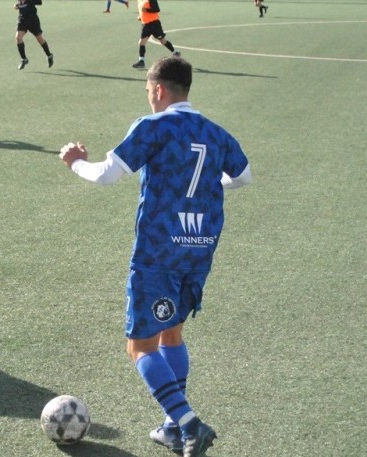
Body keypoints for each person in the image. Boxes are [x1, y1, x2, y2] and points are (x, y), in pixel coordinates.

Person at [59, 57, 252, 457]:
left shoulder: (154, 126)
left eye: (149, 92)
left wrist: (75, 162)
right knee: (172, 334)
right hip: (199, 248)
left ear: (159, 89)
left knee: (140, 346)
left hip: (158, 251)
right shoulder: (215, 133)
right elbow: (243, 177)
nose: (149, 99)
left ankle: (189, 423)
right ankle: (171, 427)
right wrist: (200, 190)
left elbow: (109, 174)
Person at [132, 0, 180, 69]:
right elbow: (141, 10)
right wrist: (141, 16)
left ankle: (175, 52)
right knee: (141, 42)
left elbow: (156, 9)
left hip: (154, 24)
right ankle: (141, 61)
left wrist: (146, 10)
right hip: (145, 25)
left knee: (162, 41)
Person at [14, 0, 54, 70]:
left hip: (33, 21)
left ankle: (49, 55)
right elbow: (20, 4)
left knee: (40, 39)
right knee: (18, 37)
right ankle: (24, 59)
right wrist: (17, 5)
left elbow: (39, 2)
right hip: (22, 20)